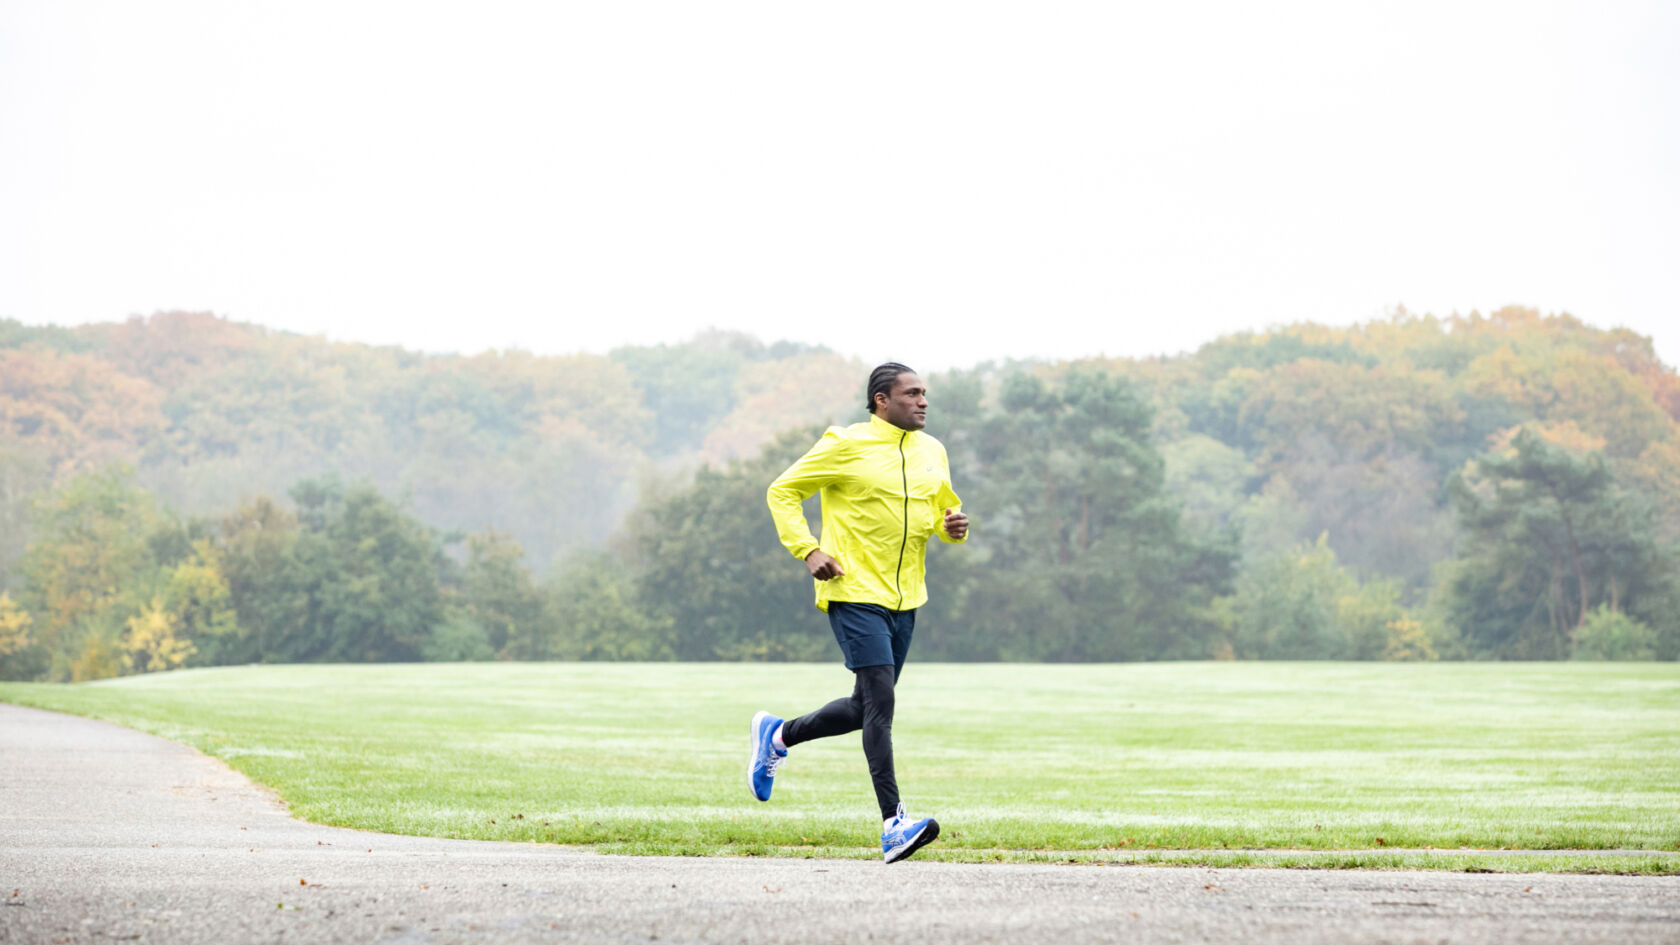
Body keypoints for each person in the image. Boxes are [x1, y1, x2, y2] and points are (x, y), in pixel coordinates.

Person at [750, 362, 970, 864]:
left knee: (863, 707)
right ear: (880, 400)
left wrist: (951, 526)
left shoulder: (933, 451)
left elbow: (940, 514)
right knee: (881, 708)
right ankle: (894, 824)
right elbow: (781, 491)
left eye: (924, 393)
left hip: (907, 598)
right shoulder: (845, 444)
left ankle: (777, 735)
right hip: (852, 590)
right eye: (911, 393)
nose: (923, 402)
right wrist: (807, 550)